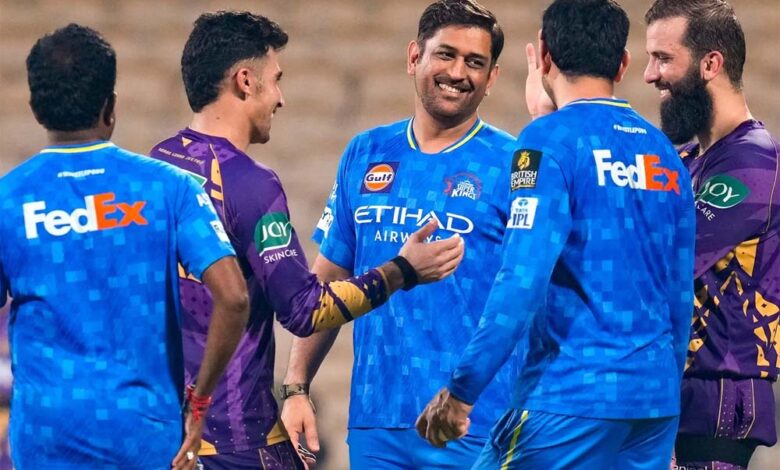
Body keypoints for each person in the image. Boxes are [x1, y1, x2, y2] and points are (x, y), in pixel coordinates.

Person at [149, 11, 464, 470]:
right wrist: (401, 270)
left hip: (169, 439)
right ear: (245, 81)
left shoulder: (156, 165)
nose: (281, 98)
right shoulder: (249, 183)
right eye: (276, 80)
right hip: (238, 441)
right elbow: (304, 310)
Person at [417, 0, 697, 468]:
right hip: (652, 407)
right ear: (623, 64)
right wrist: (665, 401)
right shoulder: (666, 154)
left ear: (544, 55)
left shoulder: (546, 142)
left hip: (571, 396)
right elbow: (680, 296)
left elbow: (522, 280)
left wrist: (462, 390)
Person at [281, 1, 519, 468]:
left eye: (475, 62)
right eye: (446, 54)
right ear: (414, 57)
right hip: (377, 421)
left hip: (475, 423)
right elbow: (328, 282)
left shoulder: (513, 165)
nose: (458, 72)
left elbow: (531, 296)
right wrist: (296, 386)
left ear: (492, 78)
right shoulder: (366, 152)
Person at [0, 24, 250, 470]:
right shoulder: (170, 187)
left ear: (35, 108)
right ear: (110, 107)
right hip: (145, 434)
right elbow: (233, 297)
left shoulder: (8, 200)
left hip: (45, 434)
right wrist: (199, 403)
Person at [644, 1, 780, 468]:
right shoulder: (684, 158)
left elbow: (666, 261)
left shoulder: (754, 160)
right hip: (673, 398)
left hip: (717, 402)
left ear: (710, 64)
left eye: (663, 58)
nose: (650, 75)